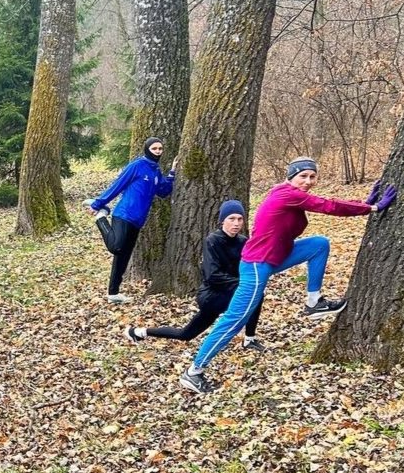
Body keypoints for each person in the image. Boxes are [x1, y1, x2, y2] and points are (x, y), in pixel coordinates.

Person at [180, 157, 397, 393]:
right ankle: (194, 371)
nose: (308, 181)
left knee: (319, 244)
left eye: (312, 176)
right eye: (303, 176)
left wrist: (362, 203)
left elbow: (328, 203)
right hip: (257, 264)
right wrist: (372, 208)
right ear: (291, 176)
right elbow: (327, 206)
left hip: (276, 256)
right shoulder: (286, 194)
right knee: (235, 320)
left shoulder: (290, 193)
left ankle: (314, 302)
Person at [124, 200, 265, 351]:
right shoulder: (213, 240)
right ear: (222, 220)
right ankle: (138, 332)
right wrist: (243, 284)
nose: (236, 223)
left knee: (257, 293)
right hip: (212, 296)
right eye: (231, 219)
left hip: (232, 291)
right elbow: (212, 276)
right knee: (185, 335)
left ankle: (249, 339)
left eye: (239, 219)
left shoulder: (243, 241)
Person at [83, 137, 178, 303]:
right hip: (124, 214)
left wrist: (172, 173)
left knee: (124, 255)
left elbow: (163, 191)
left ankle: (113, 293)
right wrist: (98, 203)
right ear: (147, 149)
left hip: (138, 220)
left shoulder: (156, 171)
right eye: (154, 148)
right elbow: (118, 184)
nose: (157, 152)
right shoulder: (137, 165)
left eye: (160, 149)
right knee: (116, 247)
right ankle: (101, 217)